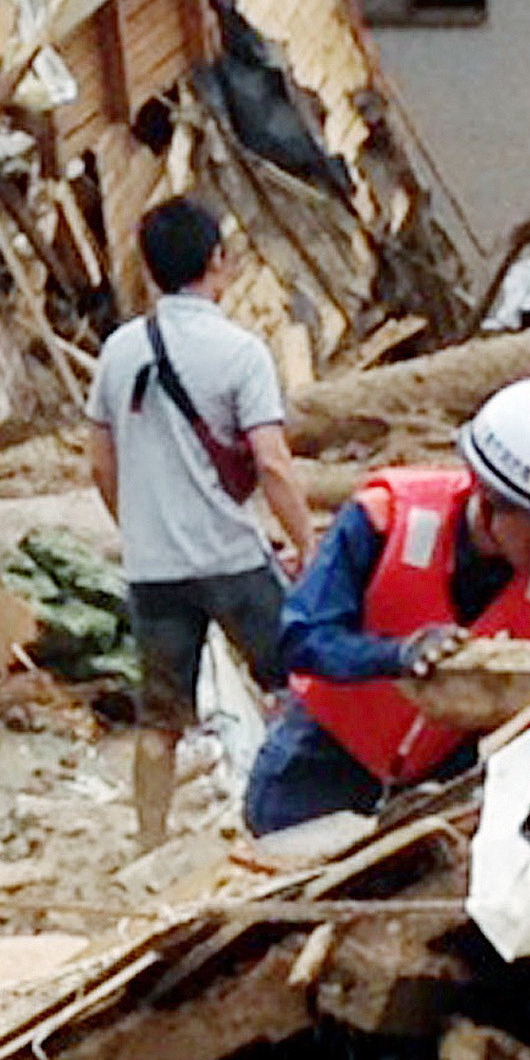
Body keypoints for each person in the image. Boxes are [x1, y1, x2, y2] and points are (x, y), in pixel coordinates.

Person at [244, 377, 530, 835]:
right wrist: (397, 657)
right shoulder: (384, 518)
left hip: (440, 789)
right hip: (318, 767)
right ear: (493, 499)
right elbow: (300, 638)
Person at [86, 198, 317, 849]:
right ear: (218, 260)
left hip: (154, 568)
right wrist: (307, 541)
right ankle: (290, 819)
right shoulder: (242, 352)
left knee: (159, 723)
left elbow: (101, 462)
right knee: (295, 687)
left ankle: (150, 842)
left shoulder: (117, 351)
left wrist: (137, 526)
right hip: (232, 558)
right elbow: (271, 462)